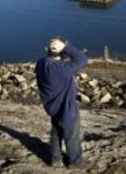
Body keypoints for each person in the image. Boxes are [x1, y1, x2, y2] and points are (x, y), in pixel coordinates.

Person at [35, 38, 88, 168]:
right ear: (62, 52)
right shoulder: (61, 69)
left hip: (53, 106)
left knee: (56, 132)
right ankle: (76, 162)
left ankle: (56, 159)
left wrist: (64, 51)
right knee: (72, 137)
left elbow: (65, 61)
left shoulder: (41, 63)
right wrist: (67, 47)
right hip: (67, 108)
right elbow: (82, 60)